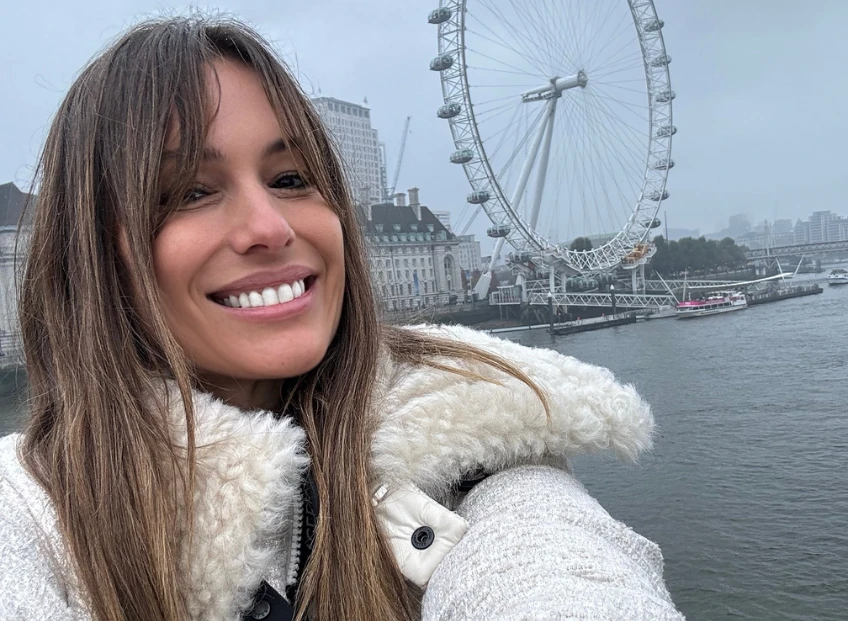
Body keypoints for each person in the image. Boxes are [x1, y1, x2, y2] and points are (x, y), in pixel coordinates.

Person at [0, 16, 684, 621]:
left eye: (292, 179)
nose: (268, 226)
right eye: (191, 191)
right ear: (92, 253)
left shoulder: (476, 455)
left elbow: (556, 570)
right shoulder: (27, 509)